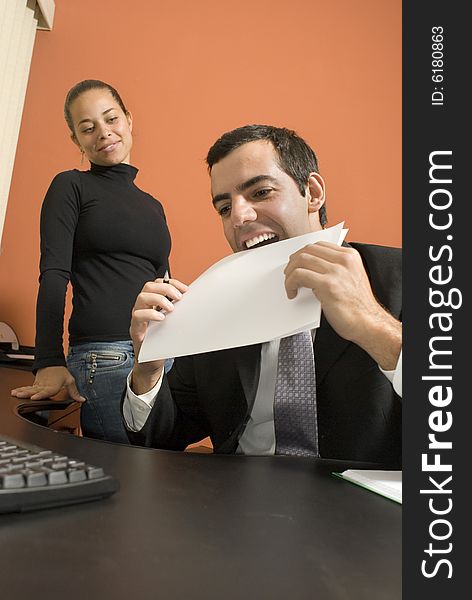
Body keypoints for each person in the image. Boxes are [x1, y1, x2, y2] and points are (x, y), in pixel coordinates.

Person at [122, 124, 402, 464]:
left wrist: (373, 324)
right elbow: (161, 438)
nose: (239, 217)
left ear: (312, 192)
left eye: (261, 192)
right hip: (236, 501)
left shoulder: (404, 276)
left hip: (363, 509)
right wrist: (148, 371)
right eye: (224, 208)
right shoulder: (213, 305)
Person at [11, 80, 172, 443]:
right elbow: (53, 274)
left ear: (129, 120)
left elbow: (162, 282)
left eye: (111, 118)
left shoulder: (152, 205)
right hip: (105, 356)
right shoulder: (71, 186)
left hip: (160, 355)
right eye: (88, 128)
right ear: (76, 141)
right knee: (132, 475)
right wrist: (48, 360)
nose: (103, 132)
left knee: (165, 475)